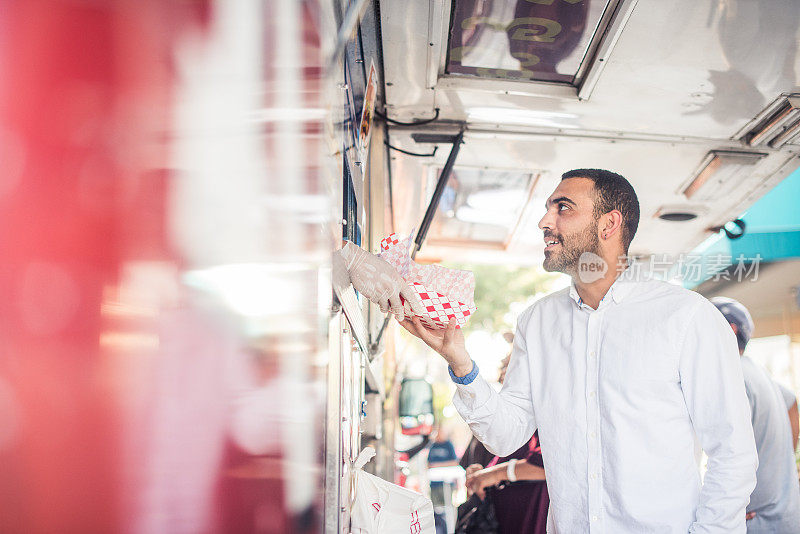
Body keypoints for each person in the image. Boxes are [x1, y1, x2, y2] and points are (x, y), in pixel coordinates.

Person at [401, 168, 758, 532]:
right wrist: (460, 362)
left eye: (563, 208)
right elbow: (506, 435)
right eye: (547, 208)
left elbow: (733, 453)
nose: (544, 220)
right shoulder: (537, 322)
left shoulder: (687, 317)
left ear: (609, 224)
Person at [711, 297, 800, 533]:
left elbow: (729, 456)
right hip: (783, 515)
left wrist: (731, 507)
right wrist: (780, 464)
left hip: (759, 521)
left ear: (728, 331)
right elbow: (791, 400)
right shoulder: (753, 370)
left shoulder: (733, 376)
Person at [459, 353, 549, 534]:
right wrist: (479, 477)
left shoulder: (545, 411)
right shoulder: (498, 416)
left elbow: (547, 463)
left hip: (529, 520)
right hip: (497, 520)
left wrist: (493, 475)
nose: (503, 365)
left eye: (509, 363)